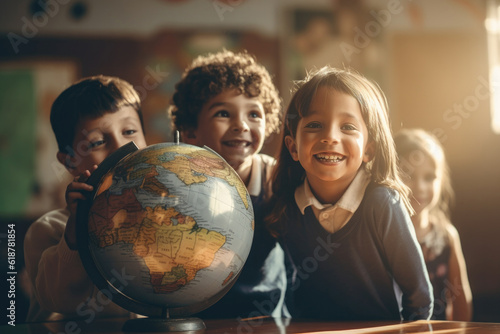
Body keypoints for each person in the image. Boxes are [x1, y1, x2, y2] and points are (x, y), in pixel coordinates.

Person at [266, 66, 433, 321]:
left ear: (369, 150)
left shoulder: (383, 203)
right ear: (293, 147)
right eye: (314, 124)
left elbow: (419, 297)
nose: (330, 137)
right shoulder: (286, 207)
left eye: (347, 127)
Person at [169, 49, 288, 319]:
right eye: (223, 113)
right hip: (194, 318)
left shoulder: (275, 178)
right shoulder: (175, 179)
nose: (241, 125)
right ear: (190, 131)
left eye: (254, 114)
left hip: (266, 316)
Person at [23, 75, 148, 322]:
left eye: (130, 131)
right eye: (98, 142)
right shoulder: (47, 230)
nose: (120, 148)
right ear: (69, 160)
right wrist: (76, 229)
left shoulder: (158, 219)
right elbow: (59, 299)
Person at [394, 128, 473, 321]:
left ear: (441, 180)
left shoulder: (446, 236)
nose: (419, 187)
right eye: (408, 175)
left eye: (429, 177)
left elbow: (461, 300)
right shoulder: (383, 234)